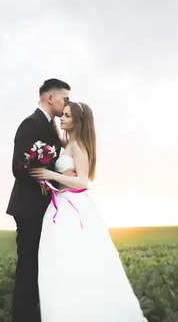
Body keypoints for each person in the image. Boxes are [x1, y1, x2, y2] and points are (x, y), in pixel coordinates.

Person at [30, 101, 148, 322]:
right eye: (62, 115)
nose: (62, 119)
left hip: (72, 207)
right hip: (63, 203)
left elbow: (82, 180)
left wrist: (52, 176)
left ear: (78, 121)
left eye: (67, 116)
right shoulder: (69, 143)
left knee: (74, 260)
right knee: (62, 261)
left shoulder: (79, 145)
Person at [6, 78, 74, 322]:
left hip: (45, 208)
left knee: (41, 267)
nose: (68, 103)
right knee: (28, 268)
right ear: (50, 98)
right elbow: (18, 167)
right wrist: (43, 172)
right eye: (65, 98)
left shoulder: (51, 128)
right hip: (29, 209)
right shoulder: (31, 123)